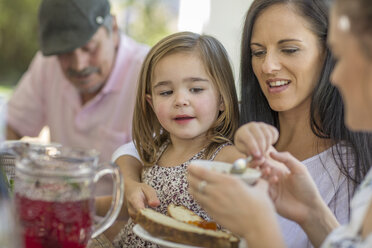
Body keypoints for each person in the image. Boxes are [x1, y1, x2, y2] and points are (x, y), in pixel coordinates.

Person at [115, 0, 372, 247]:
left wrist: (265, 224)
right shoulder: (229, 119)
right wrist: (129, 183)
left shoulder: (349, 168)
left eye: (290, 49)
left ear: (329, 53)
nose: (267, 66)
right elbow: (140, 148)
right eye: (258, 52)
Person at [111, 31, 243, 247]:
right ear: (151, 103)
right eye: (166, 92)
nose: (181, 100)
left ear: (222, 99)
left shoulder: (227, 159)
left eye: (196, 89)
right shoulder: (155, 150)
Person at [5, 0, 149, 165]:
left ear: (114, 30)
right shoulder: (48, 64)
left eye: (89, 48)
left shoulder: (149, 74)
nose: (79, 65)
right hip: (60, 188)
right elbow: (10, 127)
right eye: (64, 53)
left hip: (122, 191)